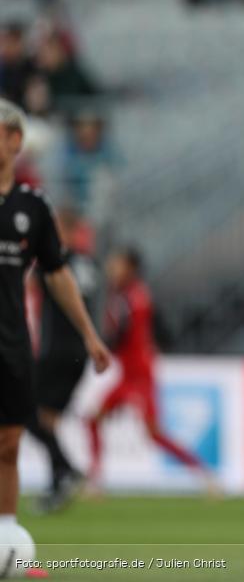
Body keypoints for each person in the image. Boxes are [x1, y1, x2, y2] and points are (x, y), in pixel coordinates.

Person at [0, 98, 110, 547]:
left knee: (8, 444)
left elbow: (57, 273)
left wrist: (89, 333)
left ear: (14, 140)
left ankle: (6, 541)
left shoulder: (33, 207)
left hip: (11, 341)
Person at [86, 247, 218, 496]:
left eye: (118, 263)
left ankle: (204, 473)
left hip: (139, 376)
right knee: (93, 419)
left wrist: (97, 346)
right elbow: (158, 328)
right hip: (129, 374)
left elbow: (120, 334)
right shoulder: (137, 294)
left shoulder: (127, 298)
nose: (112, 268)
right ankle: (95, 481)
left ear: (130, 268)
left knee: (153, 434)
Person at [26, 207, 100, 513]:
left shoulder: (54, 261)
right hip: (79, 352)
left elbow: (29, 285)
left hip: (56, 351)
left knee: (27, 413)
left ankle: (65, 469)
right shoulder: (88, 264)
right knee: (47, 421)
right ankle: (59, 482)